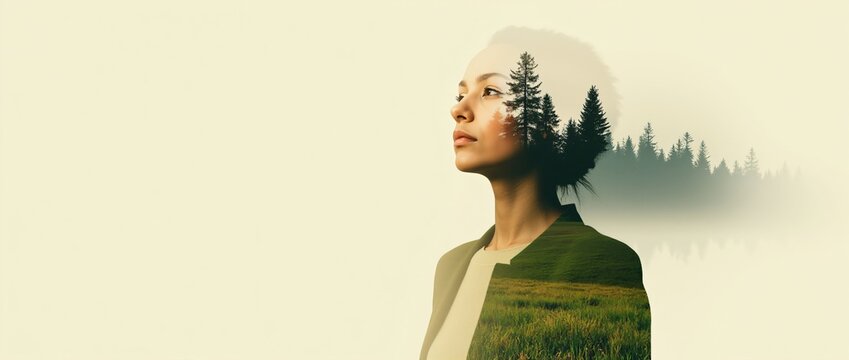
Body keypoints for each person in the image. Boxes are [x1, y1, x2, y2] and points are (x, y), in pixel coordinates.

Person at [420, 27, 651, 360]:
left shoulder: (605, 264)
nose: (459, 110)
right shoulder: (451, 266)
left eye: (490, 91)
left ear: (549, 120)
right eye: (461, 94)